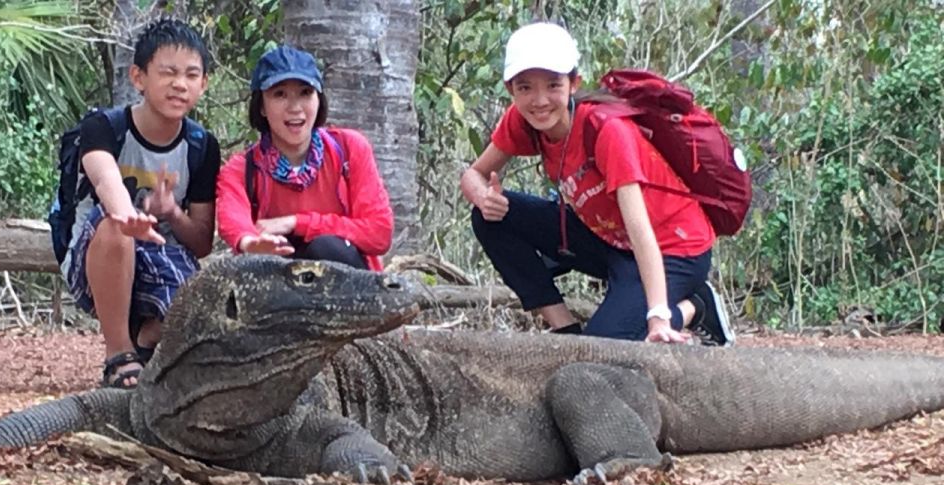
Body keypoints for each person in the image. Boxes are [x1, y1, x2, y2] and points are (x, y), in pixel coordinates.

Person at [460, 22, 735, 345]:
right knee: (489, 217)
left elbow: (639, 227)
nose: (539, 100)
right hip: (607, 240)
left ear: (573, 83)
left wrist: (659, 316)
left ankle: (696, 306)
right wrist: (482, 196)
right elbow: (472, 174)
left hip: (673, 248)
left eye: (553, 85)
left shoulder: (606, 130)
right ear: (511, 90)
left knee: (606, 346)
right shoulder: (523, 120)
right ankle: (565, 329)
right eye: (525, 88)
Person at [62, 17, 222, 387]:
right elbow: (104, 178)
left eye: (191, 75)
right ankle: (118, 355)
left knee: (201, 308)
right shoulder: (104, 127)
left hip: (163, 256)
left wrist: (170, 214)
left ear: (203, 83)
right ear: (139, 77)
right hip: (98, 254)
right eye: (167, 72)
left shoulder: (201, 147)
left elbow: (200, 242)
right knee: (116, 227)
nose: (179, 84)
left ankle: (147, 337)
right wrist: (126, 216)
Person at [216, 45, 393, 271]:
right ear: (261, 105)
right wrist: (251, 243)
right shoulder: (242, 169)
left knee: (325, 248)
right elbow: (235, 222)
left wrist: (296, 223)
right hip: (281, 292)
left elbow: (379, 233)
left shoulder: (349, 148)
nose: (295, 108)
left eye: (305, 93)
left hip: (351, 289)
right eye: (280, 94)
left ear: (319, 99)